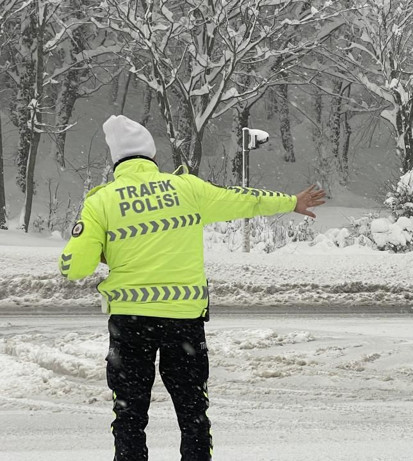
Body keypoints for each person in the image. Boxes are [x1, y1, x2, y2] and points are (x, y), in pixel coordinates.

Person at [58, 115, 325, 460]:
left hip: (130, 324)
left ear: (116, 160)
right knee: (192, 413)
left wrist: (98, 249)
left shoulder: (102, 202)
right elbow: (241, 198)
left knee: (129, 415)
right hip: (183, 322)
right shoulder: (187, 188)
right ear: (152, 156)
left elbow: (75, 267)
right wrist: (290, 201)